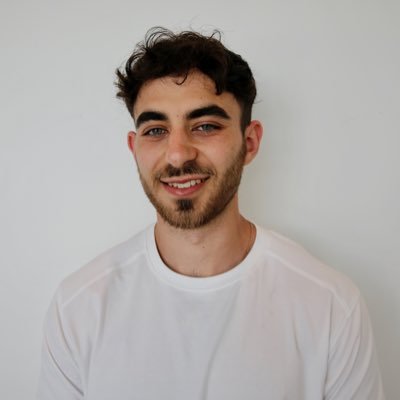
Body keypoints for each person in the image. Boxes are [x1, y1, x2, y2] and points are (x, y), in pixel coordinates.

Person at [37, 28, 385, 400]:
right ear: (134, 148)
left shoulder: (330, 306)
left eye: (205, 126)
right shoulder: (79, 308)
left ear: (249, 142)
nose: (177, 154)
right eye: (156, 130)